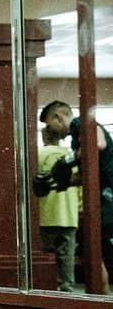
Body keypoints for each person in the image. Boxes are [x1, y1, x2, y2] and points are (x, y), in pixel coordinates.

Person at [38, 100, 113, 282]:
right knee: (94, 257)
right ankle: (98, 302)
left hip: (108, 198)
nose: (51, 131)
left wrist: (67, 161)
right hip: (101, 199)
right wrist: (54, 182)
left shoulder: (81, 123)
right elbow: (84, 175)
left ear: (58, 117)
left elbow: (98, 143)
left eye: (50, 125)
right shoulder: (74, 141)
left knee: (95, 256)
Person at [35, 120, 80, 292]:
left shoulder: (38, 154)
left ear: (44, 136)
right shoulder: (69, 154)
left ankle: (48, 287)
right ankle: (67, 286)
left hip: (46, 212)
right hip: (68, 214)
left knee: (46, 255)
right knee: (67, 256)